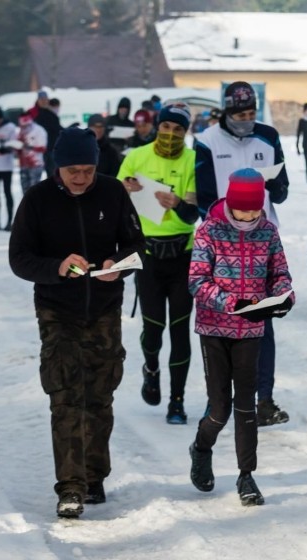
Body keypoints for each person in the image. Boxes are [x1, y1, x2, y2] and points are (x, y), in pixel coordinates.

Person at [8, 126, 145, 519]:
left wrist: (116, 267)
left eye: (87, 170)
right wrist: (57, 267)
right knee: (65, 394)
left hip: (104, 308)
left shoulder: (113, 192)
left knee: (100, 395)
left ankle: (94, 475)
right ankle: (70, 485)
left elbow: (137, 246)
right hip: (57, 310)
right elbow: (19, 258)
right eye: (73, 171)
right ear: (58, 168)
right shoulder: (37, 200)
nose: (81, 178)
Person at [187, 168, 294, 506]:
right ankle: (201, 447)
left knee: (246, 404)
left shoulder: (268, 231)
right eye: (243, 209)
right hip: (214, 329)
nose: (250, 215)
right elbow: (197, 281)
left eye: (255, 208)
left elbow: (279, 273)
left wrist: (282, 297)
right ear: (231, 203)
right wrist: (233, 303)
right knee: (219, 408)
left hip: (251, 330)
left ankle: (246, 475)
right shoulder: (209, 231)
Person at [194, 80, 291, 427]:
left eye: (251, 113)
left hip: (262, 240)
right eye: (240, 115)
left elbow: (281, 193)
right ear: (226, 112)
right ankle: (219, 401)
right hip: (220, 241)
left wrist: (272, 185)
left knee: (261, 322)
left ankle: (262, 398)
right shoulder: (206, 141)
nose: (247, 120)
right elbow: (204, 199)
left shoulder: (267, 135)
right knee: (223, 321)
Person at [118, 105, 199, 425]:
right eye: (166, 126)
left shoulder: (192, 160)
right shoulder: (136, 157)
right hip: (148, 256)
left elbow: (194, 215)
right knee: (153, 329)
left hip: (183, 255)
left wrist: (179, 204)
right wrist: (123, 190)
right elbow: (113, 201)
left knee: (180, 329)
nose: (171, 134)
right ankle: (150, 368)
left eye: (178, 129)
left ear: (185, 132)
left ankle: (176, 401)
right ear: (156, 126)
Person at [32, 91, 62, 180]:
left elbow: (57, 128)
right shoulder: (34, 112)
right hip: (40, 149)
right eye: (42, 100)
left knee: (52, 173)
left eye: (45, 100)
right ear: (38, 100)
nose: (44, 101)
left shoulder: (50, 112)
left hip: (51, 147)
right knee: (38, 175)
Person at [16, 112, 48, 194]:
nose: (23, 127)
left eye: (25, 125)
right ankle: (27, 206)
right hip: (23, 165)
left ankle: (35, 207)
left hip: (36, 164)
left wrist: (29, 147)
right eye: (22, 125)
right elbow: (18, 148)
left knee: (34, 192)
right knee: (25, 192)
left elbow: (43, 148)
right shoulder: (20, 131)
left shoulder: (39, 130)